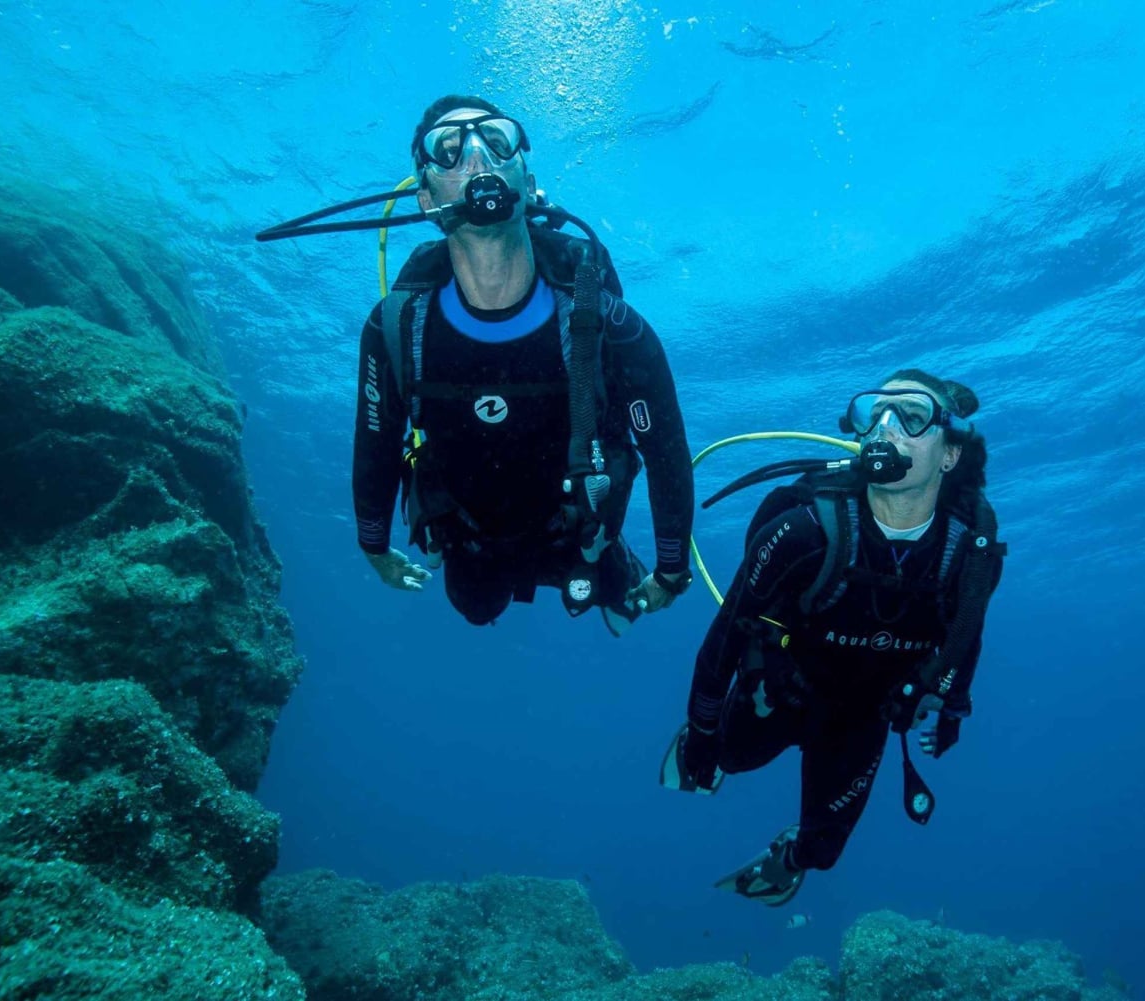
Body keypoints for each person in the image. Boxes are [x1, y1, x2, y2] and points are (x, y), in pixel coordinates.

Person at [660, 369, 1005, 905]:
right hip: (781, 689)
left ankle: (788, 859)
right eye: (873, 414)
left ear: (950, 455)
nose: (884, 428)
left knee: (823, 852)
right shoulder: (803, 531)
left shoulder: (970, 555)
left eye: (911, 416)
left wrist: (952, 707)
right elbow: (725, 637)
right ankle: (708, 745)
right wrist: (701, 732)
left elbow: (967, 635)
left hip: (863, 715)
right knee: (726, 757)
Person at [351, 95, 695, 633]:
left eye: (496, 139)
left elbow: (666, 450)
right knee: (474, 609)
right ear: (425, 198)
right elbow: (376, 442)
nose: (476, 158)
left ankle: (612, 572)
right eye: (447, 149)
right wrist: (373, 543)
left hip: (580, 533)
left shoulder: (610, 326)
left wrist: (672, 568)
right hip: (472, 534)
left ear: (526, 176)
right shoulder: (395, 327)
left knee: (610, 592)